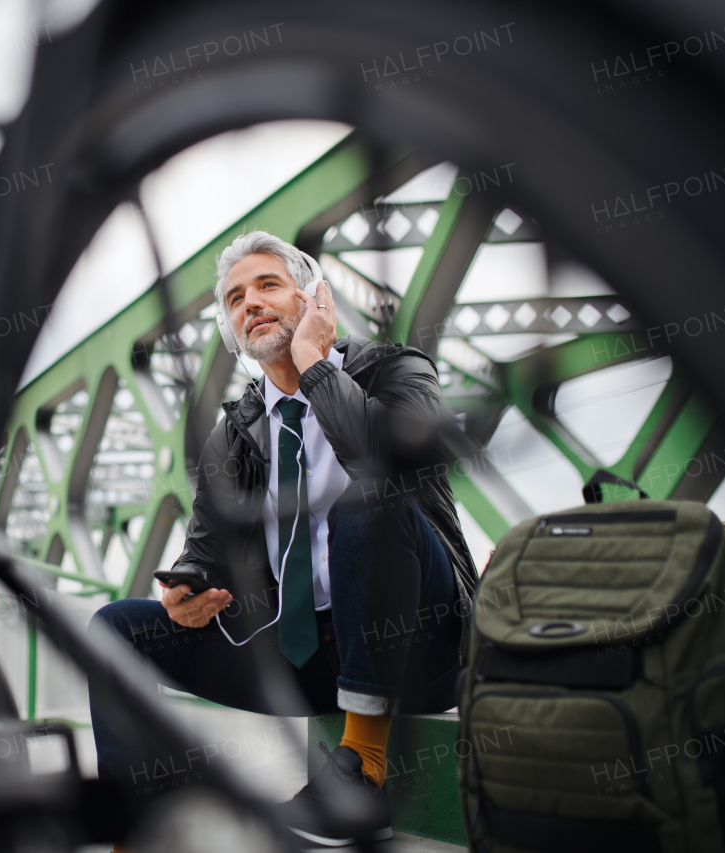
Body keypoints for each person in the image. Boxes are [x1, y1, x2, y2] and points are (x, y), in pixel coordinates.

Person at [88, 231, 478, 847]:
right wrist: (189, 585)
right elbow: (207, 546)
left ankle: (362, 771)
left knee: (363, 499)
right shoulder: (234, 433)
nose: (251, 303)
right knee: (115, 627)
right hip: (300, 658)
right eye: (235, 297)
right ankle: (136, 827)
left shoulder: (397, 369)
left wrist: (316, 364)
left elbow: (387, 463)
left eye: (268, 284)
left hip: (418, 646)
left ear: (314, 295)